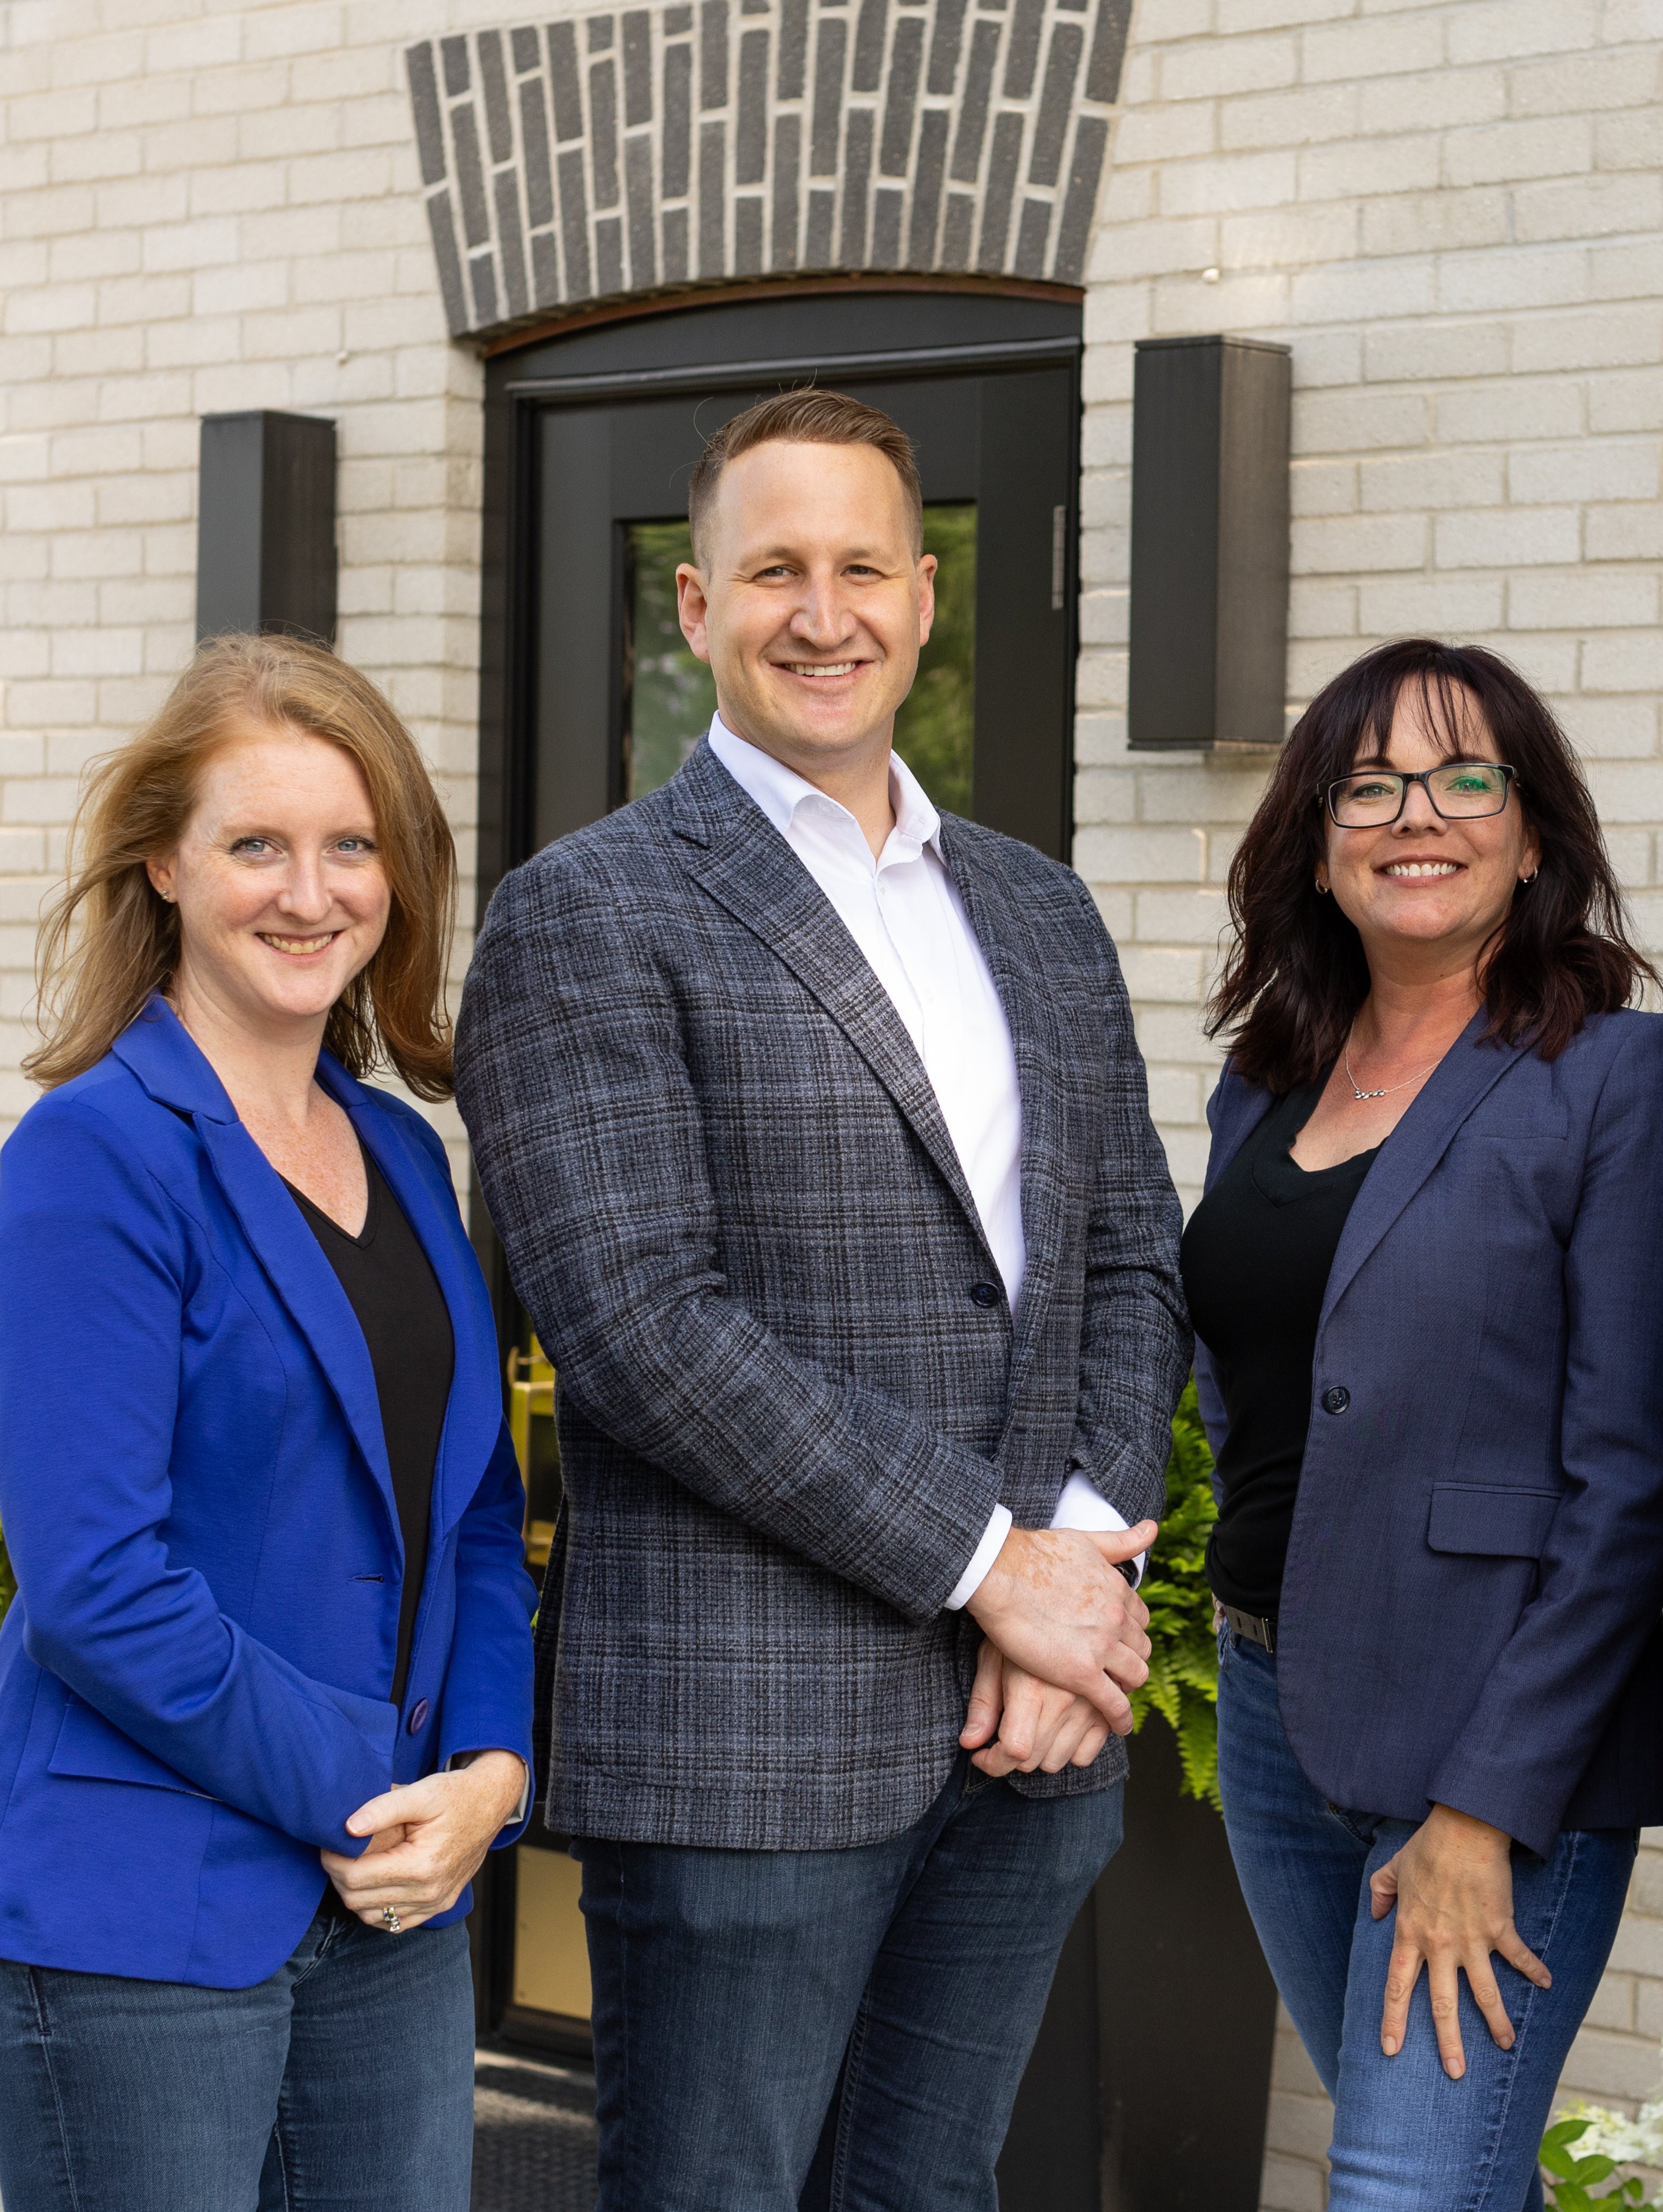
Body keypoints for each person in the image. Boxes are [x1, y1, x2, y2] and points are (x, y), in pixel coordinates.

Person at [454, 387, 1191, 2212]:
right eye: (771, 568)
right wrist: (991, 1565)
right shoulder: (588, 913)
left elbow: (1126, 1256)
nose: (821, 609)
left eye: (860, 564)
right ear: (695, 608)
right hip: (742, 1743)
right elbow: (641, 1327)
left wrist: (1076, 1577)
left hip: (1028, 1732)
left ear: (925, 597)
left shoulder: (1038, 911)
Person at [0, 634, 537, 2211]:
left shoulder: (407, 1157)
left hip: (394, 1905)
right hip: (140, 1913)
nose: (309, 892)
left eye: (352, 847)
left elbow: (470, 1511)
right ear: (164, 862)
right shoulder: (94, 1159)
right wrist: (366, 1787)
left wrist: (485, 1770)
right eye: (255, 845)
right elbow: (96, 1583)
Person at [1190, 639, 1663, 2211]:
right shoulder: (1264, 1082)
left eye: (1463, 776)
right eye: (1369, 784)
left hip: (1490, 1736)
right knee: (1444, 2173)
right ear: (1318, 841)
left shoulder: (1619, 1075)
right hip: (1275, 1703)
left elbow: (1629, 1478)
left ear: (1533, 829)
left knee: (1402, 2192)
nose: (1415, 813)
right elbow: (1250, 1369)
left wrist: (1486, 1806)